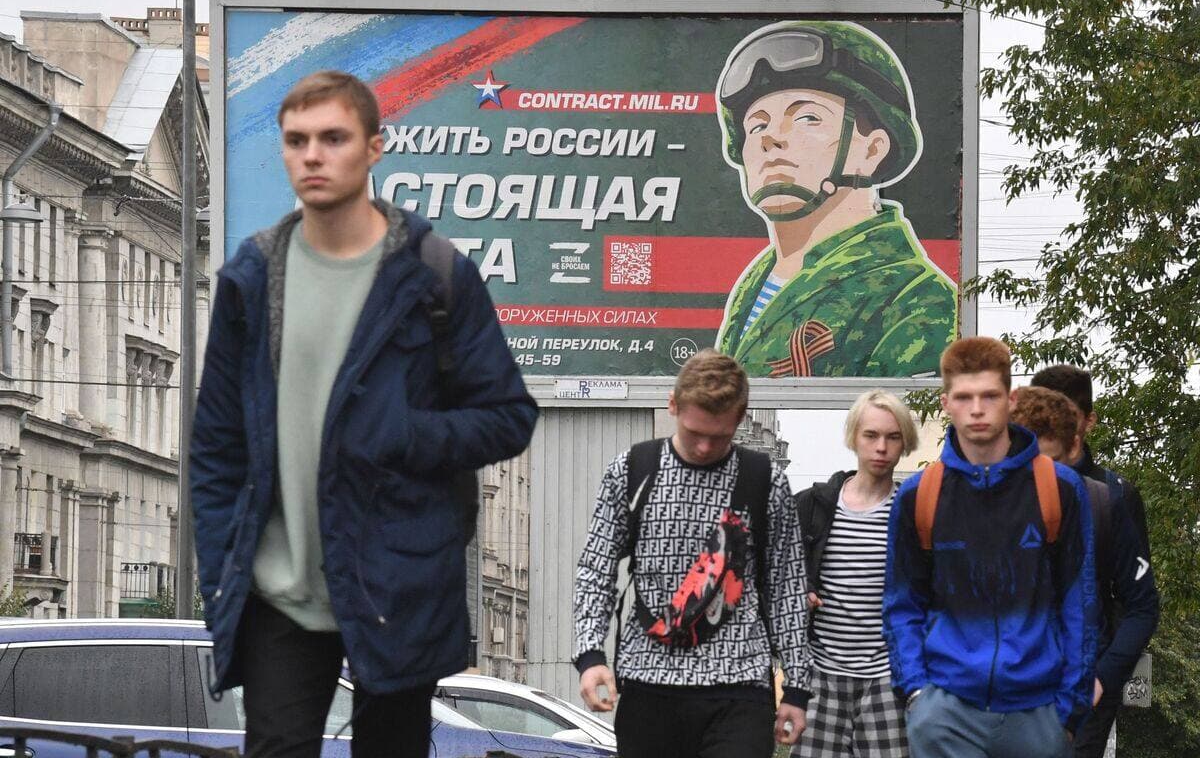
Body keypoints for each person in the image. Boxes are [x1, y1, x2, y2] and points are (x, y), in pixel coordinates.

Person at [190, 70, 538, 758]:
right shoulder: (251, 280)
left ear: (376, 147)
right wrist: (221, 570)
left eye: (333, 138)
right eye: (296, 140)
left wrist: (407, 433)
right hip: (278, 590)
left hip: (395, 580)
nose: (312, 156)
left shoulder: (433, 275)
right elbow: (215, 449)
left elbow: (508, 416)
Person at [572, 349, 811, 758]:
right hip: (649, 684)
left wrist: (797, 687)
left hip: (740, 685)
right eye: (693, 431)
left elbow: (787, 585)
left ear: (739, 419)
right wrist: (590, 655)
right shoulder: (632, 471)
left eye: (719, 437)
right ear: (673, 405)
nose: (703, 447)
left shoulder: (764, 480)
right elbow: (596, 569)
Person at [882, 336, 1097, 758]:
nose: (977, 409)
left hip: (1039, 712)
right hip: (946, 710)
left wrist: (1069, 710)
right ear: (945, 402)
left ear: (1011, 399)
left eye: (989, 395)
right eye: (964, 397)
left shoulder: (1059, 488)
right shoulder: (919, 494)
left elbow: (1081, 602)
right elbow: (901, 602)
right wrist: (916, 695)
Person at [714, 20, 956, 378]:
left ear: (872, 151)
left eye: (808, 118)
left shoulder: (917, 300)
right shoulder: (755, 283)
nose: (771, 139)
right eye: (757, 126)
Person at [1028, 367, 1159, 758]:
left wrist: (1103, 679)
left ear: (1087, 421)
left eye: (1065, 416)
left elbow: (1142, 604)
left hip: (1085, 686)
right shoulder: (1000, 490)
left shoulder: (1112, 498)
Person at [793, 389, 918, 757]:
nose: (882, 447)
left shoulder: (912, 512)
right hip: (821, 675)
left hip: (887, 678)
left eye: (893, 437)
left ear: (904, 442)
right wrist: (801, 593)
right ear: (854, 438)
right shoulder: (814, 506)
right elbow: (780, 580)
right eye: (871, 435)